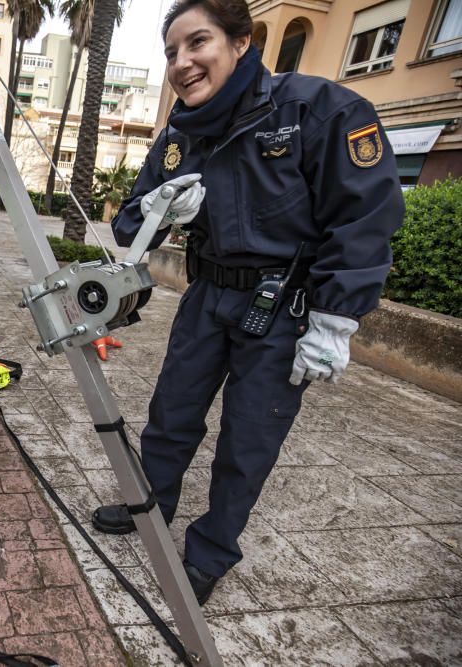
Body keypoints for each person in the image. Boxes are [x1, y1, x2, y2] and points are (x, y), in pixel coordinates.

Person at [92, 0, 403, 605]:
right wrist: (162, 208)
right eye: (171, 52)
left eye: (197, 42)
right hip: (207, 296)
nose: (183, 63)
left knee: (248, 441)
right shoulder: (181, 135)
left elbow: (365, 218)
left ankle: (210, 552)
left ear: (241, 42)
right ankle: (149, 505)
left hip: (284, 307)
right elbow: (131, 224)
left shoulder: (320, 110)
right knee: (171, 415)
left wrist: (336, 319)